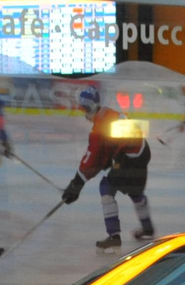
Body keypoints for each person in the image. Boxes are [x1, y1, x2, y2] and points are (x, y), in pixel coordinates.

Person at [62, 83, 156, 251]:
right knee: (135, 191)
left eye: (84, 108)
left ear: (89, 107)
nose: (83, 112)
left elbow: (93, 159)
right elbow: (109, 148)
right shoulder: (109, 113)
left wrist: (76, 184)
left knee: (106, 187)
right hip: (142, 151)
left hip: (129, 157)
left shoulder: (98, 127)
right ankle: (147, 227)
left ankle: (114, 236)